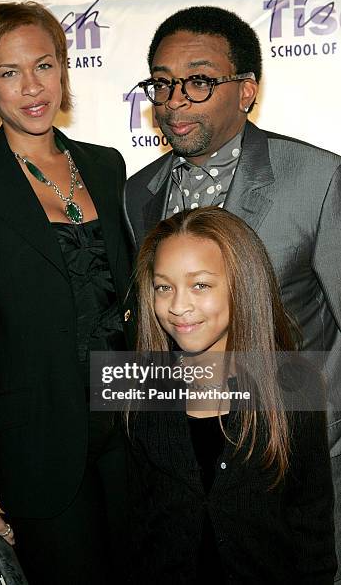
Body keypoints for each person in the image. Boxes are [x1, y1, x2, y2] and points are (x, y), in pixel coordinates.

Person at [123, 5, 341, 580]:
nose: (174, 100)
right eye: (163, 82)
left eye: (198, 80)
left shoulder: (316, 179)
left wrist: (316, 429)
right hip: (183, 478)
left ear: (246, 91)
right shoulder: (137, 192)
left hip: (289, 469)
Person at [0, 1, 135, 584]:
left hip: (131, 435)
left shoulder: (107, 166)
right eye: (8, 73)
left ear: (64, 68)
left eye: (43, 65)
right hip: (37, 448)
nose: (31, 87)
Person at [128, 206, 337, 584]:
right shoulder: (139, 391)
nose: (178, 306)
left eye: (201, 285)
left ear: (243, 284)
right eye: (164, 287)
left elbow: (312, 529)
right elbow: (136, 526)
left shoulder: (294, 387)